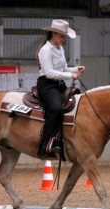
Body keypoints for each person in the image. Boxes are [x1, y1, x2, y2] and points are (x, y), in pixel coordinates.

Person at [37, 19, 85, 157]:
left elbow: (64, 68)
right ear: (53, 34)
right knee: (56, 108)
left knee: (76, 104)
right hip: (47, 83)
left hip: (59, 84)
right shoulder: (45, 50)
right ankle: (45, 145)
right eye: (61, 36)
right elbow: (49, 73)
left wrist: (76, 69)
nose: (63, 39)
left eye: (64, 36)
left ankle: (64, 140)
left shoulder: (60, 48)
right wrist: (71, 75)